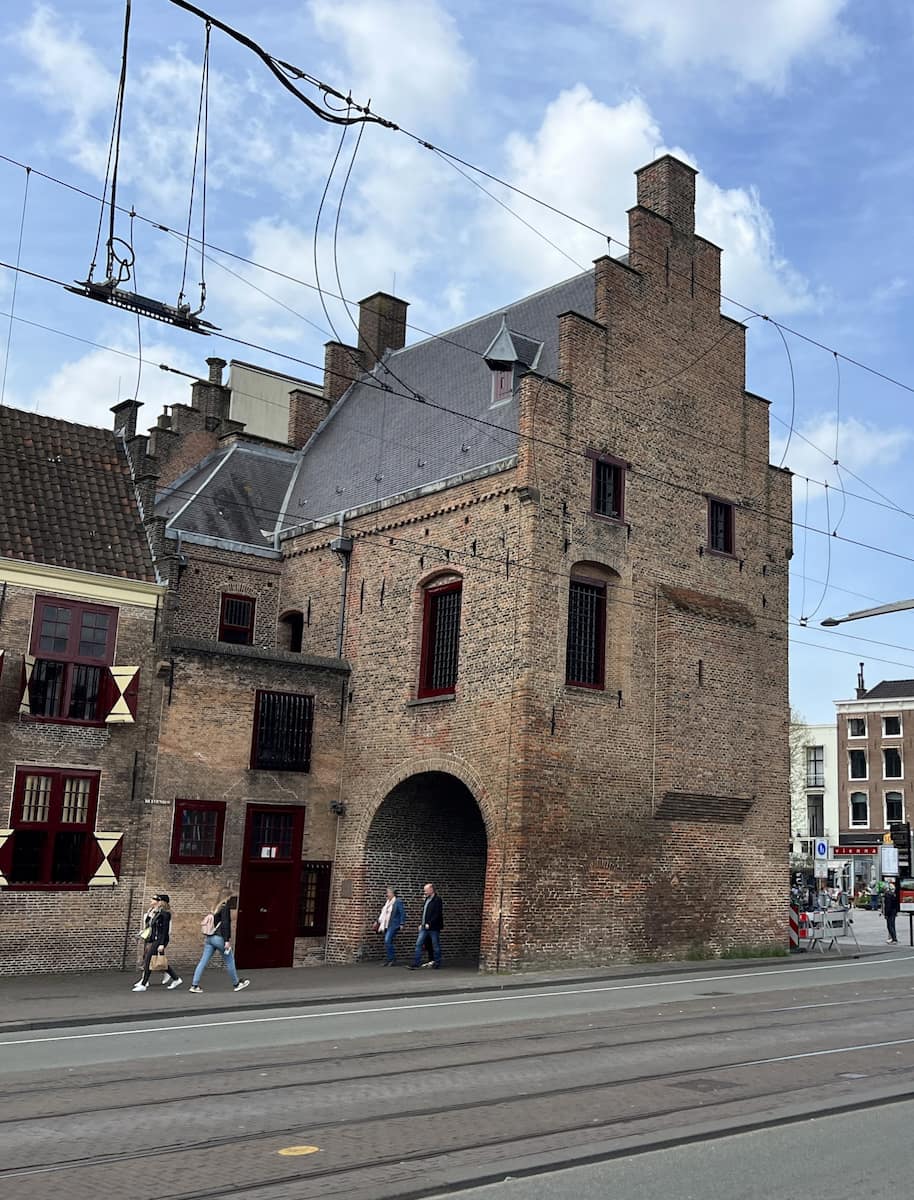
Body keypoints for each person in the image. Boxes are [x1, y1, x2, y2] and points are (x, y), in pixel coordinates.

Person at [189, 895, 250, 993]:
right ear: (227, 897)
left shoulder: (214, 908)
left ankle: (194, 985)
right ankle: (237, 984)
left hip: (210, 938)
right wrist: (226, 940)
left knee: (203, 962)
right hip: (219, 938)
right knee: (230, 961)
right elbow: (225, 924)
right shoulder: (224, 908)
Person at [133, 893, 182, 992]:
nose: (152, 901)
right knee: (155, 960)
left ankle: (144, 984)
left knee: (149, 959)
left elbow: (164, 930)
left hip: (159, 940)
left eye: (156, 900)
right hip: (155, 939)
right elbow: (151, 927)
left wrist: (162, 944)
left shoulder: (165, 914)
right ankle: (176, 978)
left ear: (160, 902)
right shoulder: (157, 913)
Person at [409, 882, 444, 970]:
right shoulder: (426, 900)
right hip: (424, 926)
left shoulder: (437, 900)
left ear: (431, 890)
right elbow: (424, 913)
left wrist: (430, 923)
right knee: (418, 944)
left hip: (433, 927)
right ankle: (416, 963)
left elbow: (437, 913)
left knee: (435, 945)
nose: (425, 892)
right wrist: (422, 923)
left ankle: (437, 962)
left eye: (426, 890)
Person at [377, 886, 406, 965]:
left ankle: (391, 959)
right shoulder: (387, 902)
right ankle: (389, 959)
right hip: (386, 924)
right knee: (388, 942)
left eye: (388, 893)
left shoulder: (397, 901)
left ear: (393, 893)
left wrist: (402, 923)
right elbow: (384, 913)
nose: (387, 894)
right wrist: (378, 921)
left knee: (387, 940)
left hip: (394, 924)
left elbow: (402, 913)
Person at [884, 880, 900, 944]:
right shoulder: (894, 895)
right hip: (893, 911)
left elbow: (887, 906)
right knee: (892, 925)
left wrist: (886, 914)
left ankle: (894, 939)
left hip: (890, 912)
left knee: (889, 925)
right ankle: (893, 938)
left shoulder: (888, 895)